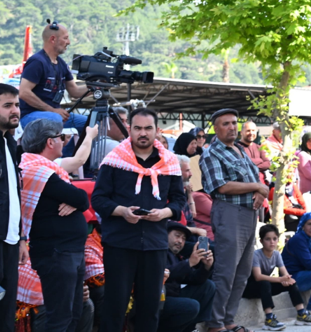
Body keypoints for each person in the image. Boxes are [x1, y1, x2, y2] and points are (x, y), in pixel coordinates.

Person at [91, 107, 186, 332]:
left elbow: (179, 200)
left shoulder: (169, 162)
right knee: (115, 306)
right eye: (137, 128)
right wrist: (122, 211)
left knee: (150, 308)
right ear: (129, 129)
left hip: (154, 243)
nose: (143, 133)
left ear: (157, 130)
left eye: (148, 128)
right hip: (120, 243)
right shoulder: (114, 160)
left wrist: (163, 213)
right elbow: (98, 199)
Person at [199, 108, 268, 332]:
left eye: (234, 123)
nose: (232, 127)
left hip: (249, 214)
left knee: (243, 272)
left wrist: (259, 191)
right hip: (229, 213)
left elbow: (253, 177)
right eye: (226, 124)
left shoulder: (239, 149)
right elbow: (221, 186)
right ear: (216, 128)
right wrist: (257, 187)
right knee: (226, 271)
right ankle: (215, 323)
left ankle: (229, 320)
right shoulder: (211, 153)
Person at [19, 119, 90, 332]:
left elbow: (79, 200)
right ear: (50, 142)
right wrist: (76, 201)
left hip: (68, 252)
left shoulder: (49, 170)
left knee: (74, 314)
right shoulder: (37, 171)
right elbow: (81, 198)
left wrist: (75, 201)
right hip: (57, 254)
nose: (64, 141)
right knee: (60, 319)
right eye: (61, 137)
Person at [17, 22, 89, 157]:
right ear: (53, 39)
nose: (69, 42)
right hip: (30, 116)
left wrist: (94, 86)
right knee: (55, 118)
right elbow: (24, 92)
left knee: (89, 123)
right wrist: (52, 110)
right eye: (65, 38)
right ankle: (57, 160)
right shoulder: (37, 61)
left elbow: (74, 91)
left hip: (55, 116)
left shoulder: (61, 63)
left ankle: (71, 161)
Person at [244, 224, 311, 328]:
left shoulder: (276, 254)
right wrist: (280, 279)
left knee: (292, 283)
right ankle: (269, 319)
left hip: (265, 288)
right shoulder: (256, 255)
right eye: (268, 239)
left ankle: (301, 314)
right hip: (249, 288)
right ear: (261, 241)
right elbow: (258, 277)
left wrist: (287, 279)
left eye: (274, 239)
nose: (272, 242)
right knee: (265, 283)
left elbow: (285, 273)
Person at [0, 84, 26, 332]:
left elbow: (13, 194)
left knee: (7, 311)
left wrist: (21, 238)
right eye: (7, 105)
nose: (15, 110)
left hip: (9, 241)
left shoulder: (9, 142)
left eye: (17, 105)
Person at [16, 254, 95, 332]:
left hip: (61, 298)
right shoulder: (29, 253)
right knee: (53, 309)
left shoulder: (69, 254)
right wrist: (69, 294)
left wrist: (79, 292)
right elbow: (32, 292)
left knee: (86, 305)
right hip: (38, 306)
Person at [160, 221, 216, 332]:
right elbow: (166, 274)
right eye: (177, 236)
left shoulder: (177, 256)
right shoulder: (158, 252)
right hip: (159, 300)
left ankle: (190, 328)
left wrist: (206, 267)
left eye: (184, 238)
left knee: (208, 286)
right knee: (191, 306)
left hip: (174, 295)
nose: (180, 241)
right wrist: (189, 263)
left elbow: (193, 279)